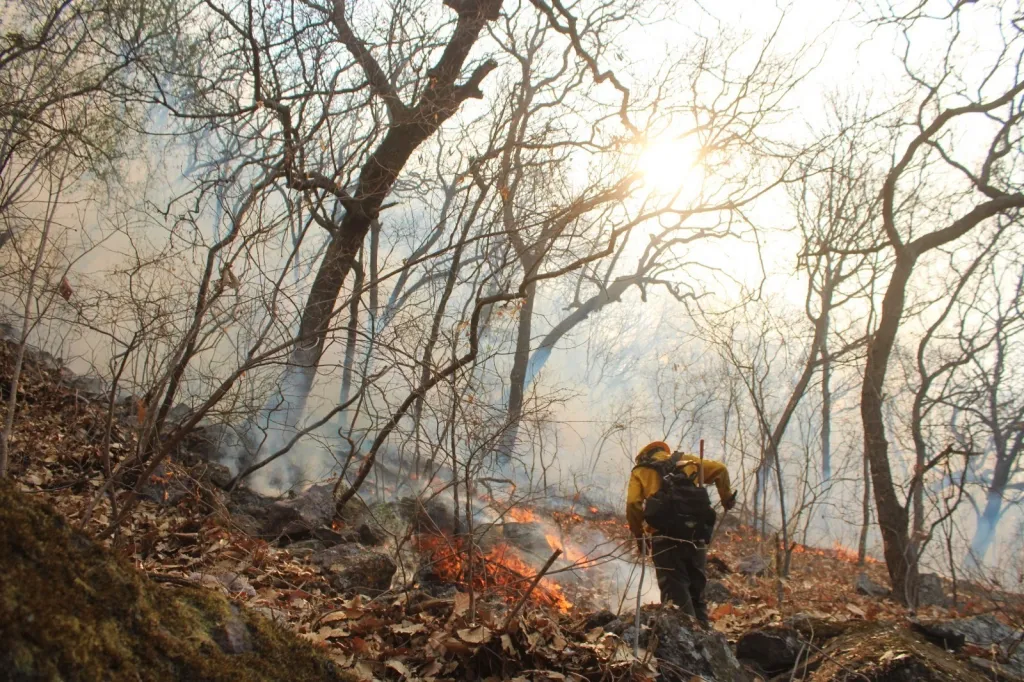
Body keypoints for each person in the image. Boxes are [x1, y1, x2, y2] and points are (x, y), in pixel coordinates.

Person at [625, 441, 736, 625]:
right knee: (696, 594)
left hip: (665, 539)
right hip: (696, 536)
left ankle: (688, 642)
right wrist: (726, 498)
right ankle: (706, 640)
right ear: (663, 451)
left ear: (644, 456)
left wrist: (639, 535)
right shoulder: (689, 461)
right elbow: (721, 469)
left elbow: (632, 505)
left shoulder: (641, 471)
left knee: (675, 597)